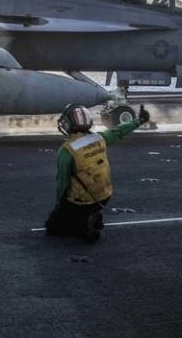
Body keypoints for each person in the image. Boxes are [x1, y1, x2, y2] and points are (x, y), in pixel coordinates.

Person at [45, 104, 150, 242]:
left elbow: (62, 183)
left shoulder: (67, 150)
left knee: (52, 227)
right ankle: (90, 215)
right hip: (104, 196)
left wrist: (59, 205)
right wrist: (140, 120)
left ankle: (85, 228)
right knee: (75, 214)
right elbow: (119, 131)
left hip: (82, 201)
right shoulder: (100, 138)